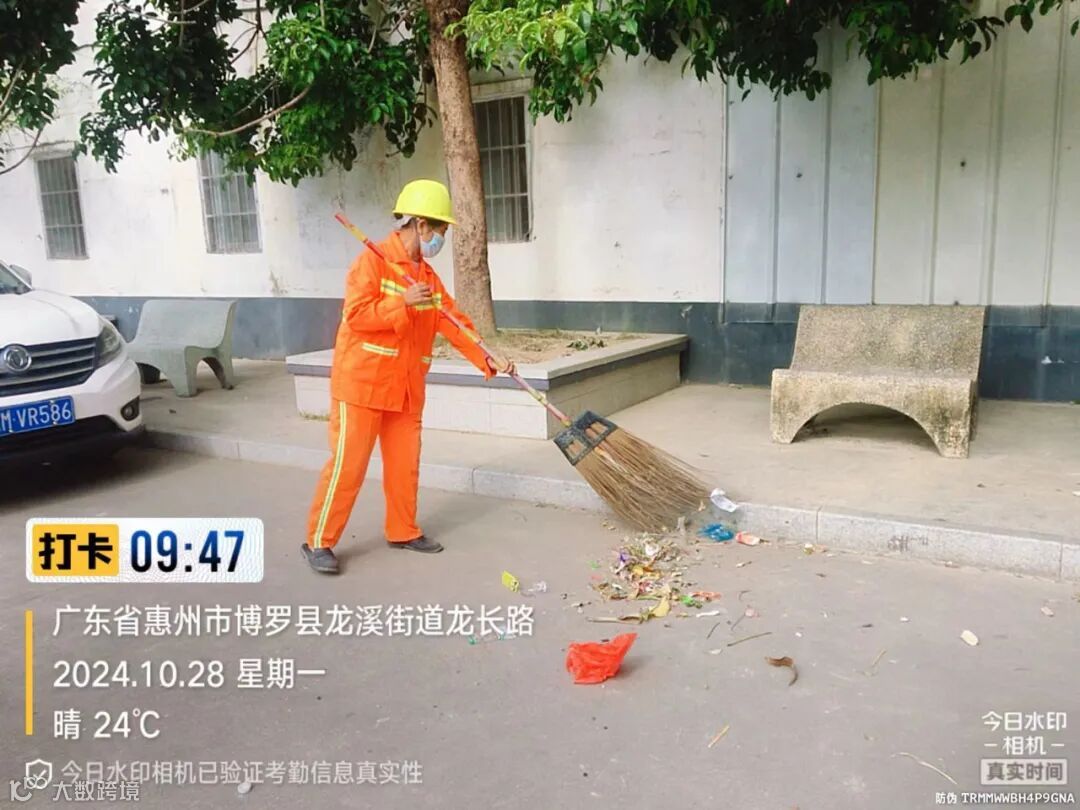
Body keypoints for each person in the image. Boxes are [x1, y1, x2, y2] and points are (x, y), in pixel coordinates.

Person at [301, 179, 513, 574]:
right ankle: (319, 541)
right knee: (349, 467)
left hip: (406, 388)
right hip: (362, 385)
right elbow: (356, 317)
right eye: (441, 229)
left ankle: (402, 530)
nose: (442, 238)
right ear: (421, 224)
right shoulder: (373, 262)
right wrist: (401, 302)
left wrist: (488, 356)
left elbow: (454, 323)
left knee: (404, 465)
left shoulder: (427, 278)